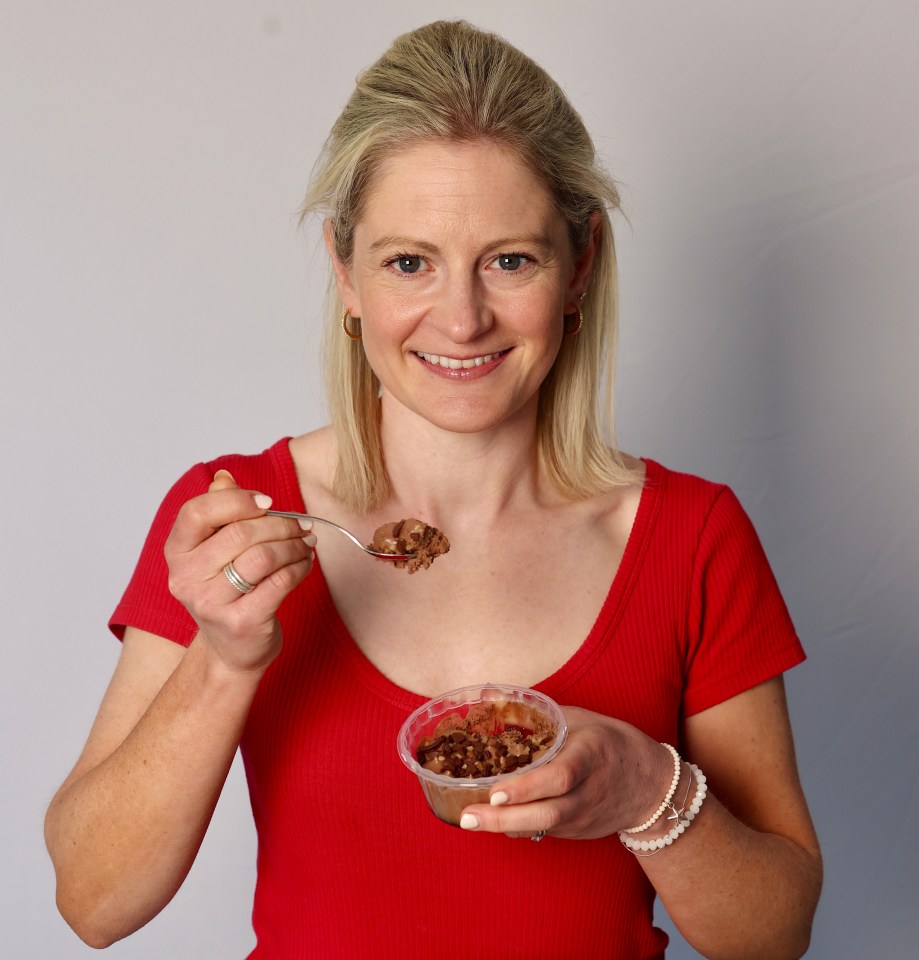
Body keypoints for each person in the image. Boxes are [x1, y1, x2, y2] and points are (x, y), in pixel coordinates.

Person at [44, 19, 822, 959]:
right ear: (345, 271)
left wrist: (648, 790)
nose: (460, 319)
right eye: (409, 262)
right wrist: (223, 660)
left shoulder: (690, 536)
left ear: (579, 264)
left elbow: (773, 935)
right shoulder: (237, 514)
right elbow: (93, 902)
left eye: (509, 260)